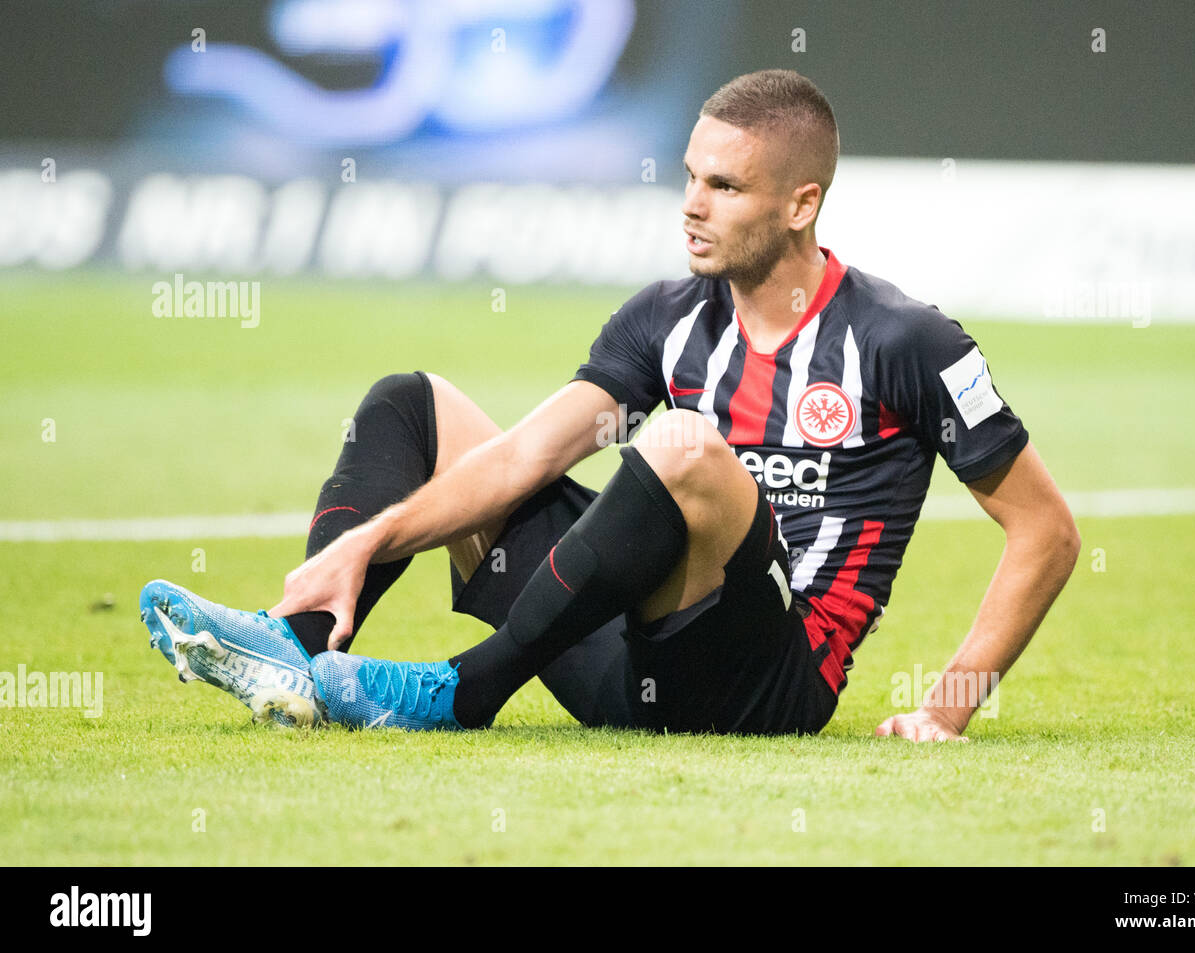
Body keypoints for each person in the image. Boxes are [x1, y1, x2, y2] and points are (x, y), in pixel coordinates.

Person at [140, 69, 1080, 741]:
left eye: (724, 186)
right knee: (415, 406)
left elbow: (1046, 530)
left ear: (801, 204)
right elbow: (517, 461)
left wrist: (946, 706)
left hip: (768, 684)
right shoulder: (665, 319)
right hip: (621, 655)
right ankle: (293, 650)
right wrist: (363, 542)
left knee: (680, 446)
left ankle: (466, 693)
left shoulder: (906, 340)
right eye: (689, 176)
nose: (691, 205)